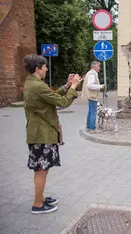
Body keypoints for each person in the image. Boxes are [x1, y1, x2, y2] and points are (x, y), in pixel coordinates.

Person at [23, 54, 83, 214]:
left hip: (39, 133)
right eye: (45, 67)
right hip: (41, 134)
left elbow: (53, 96)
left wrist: (67, 85)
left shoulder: (33, 83)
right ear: (38, 69)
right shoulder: (37, 86)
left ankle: (40, 197)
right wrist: (73, 87)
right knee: (42, 169)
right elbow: (62, 102)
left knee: (42, 168)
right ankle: (37, 204)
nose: (47, 69)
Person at [82, 61, 105, 133]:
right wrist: (101, 86)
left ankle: (88, 127)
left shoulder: (91, 73)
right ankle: (92, 128)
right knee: (93, 112)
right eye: (98, 66)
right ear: (94, 67)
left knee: (90, 111)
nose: (99, 68)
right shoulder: (92, 74)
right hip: (92, 95)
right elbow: (90, 85)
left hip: (91, 95)